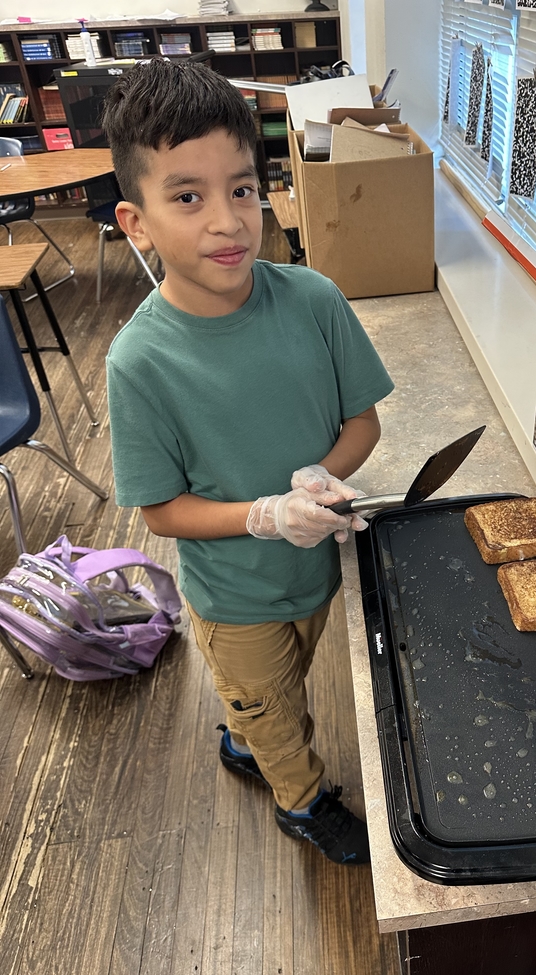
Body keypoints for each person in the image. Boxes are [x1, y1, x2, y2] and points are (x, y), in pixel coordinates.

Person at [102, 59, 394, 866]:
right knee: (276, 707)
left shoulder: (314, 299)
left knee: (286, 680)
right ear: (137, 221)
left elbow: (361, 422)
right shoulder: (140, 362)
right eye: (187, 197)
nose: (227, 221)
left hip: (316, 568)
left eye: (241, 188)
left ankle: (243, 733)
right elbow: (162, 509)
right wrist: (264, 515)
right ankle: (300, 800)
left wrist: (320, 478)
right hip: (234, 595)